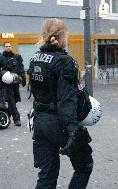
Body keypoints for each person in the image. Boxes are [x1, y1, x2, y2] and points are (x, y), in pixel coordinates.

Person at [30, 18, 93, 188]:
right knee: (84, 165)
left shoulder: (35, 59)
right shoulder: (65, 61)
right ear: (62, 36)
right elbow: (67, 101)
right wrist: (73, 132)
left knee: (47, 176)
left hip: (40, 122)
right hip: (59, 124)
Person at [0, 42, 26, 126]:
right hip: (5, 84)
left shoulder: (17, 57)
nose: (8, 47)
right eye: (6, 46)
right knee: (9, 100)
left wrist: (23, 78)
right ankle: (16, 119)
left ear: (11, 47)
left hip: (15, 83)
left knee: (14, 100)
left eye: (9, 46)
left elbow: (21, 68)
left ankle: (7, 117)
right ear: (4, 48)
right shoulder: (1, 58)